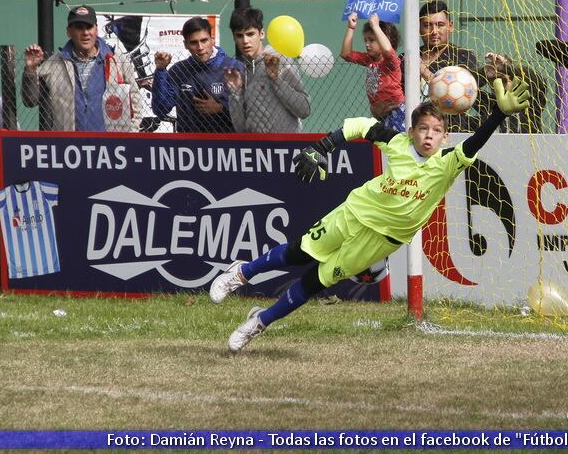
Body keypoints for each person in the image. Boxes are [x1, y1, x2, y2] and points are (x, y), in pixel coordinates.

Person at [208, 78, 530, 352]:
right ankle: (241, 274)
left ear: (445, 137)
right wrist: (323, 146)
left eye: (436, 130)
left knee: (316, 280)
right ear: (412, 131)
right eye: (422, 128)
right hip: (355, 212)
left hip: (382, 240)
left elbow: (474, 144)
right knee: (298, 251)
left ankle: (260, 322)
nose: (428, 135)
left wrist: (498, 115)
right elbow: (359, 126)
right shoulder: (397, 142)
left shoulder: (448, 162)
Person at [21, 5, 141, 132]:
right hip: (69, 146)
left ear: (96, 30)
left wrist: (127, 136)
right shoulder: (54, 64)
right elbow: (30, 100)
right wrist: (31, 70)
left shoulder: (117, 61)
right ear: (69, 31)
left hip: (110, 146)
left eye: (89, 27)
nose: (85, 33)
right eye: (79, 27)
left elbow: (135, 103)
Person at [224, 8, 311, 133]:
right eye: (239, 36)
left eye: (250, 34)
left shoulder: (279, 60)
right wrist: (236, 92)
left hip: (287, 146)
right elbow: (241, 128)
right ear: (234, 38)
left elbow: (304, 110)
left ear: (261, 34)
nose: (245, 41)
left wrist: (276, 80)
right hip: (257, 148)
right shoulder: (245, 70)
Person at [152, 16, 242, 133]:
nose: (200, 47)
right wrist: (161, 71)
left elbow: (248, 110)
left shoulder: (234, 67)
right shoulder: (179, 70)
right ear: (185, 45)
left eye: (204, 40)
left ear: (212, 39)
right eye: (194, 42)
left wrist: (221, 108)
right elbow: (160, 109)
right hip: (189, 145)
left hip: (226, 144)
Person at [408, 0, 479, 132]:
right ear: (419, 28)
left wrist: (423, 70)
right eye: (427, 25)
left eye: (440, 25)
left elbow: (458, 92)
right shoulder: (405, 59)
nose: (434, 31)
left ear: (450, 26)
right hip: (412, 131)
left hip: (452, 131)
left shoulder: (463, 57)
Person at [340, 13, 405, 133]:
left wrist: (376, 26)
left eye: (372, 40)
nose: (367, 44)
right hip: (382, 116)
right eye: (365, 40)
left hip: (397, 113)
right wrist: (351, 27)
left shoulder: (391, 62)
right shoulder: (369, 60)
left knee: (397, 144)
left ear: (385, 39)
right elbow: (346, 54)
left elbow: (387, 50)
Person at [475, 52, 548, 133]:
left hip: (529, 144)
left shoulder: (529, 101)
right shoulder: (488, 103)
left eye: (505, 79)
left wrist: (505, 67)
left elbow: (537, 81)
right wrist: (484, 72)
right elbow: (468, 86)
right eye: (496, 80)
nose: (501, 84)